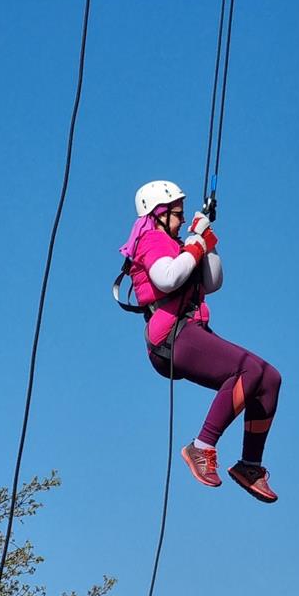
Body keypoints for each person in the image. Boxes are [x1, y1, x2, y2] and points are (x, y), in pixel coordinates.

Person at [119, 180, 281, 503]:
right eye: (177, 214)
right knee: (249, 370)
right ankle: (202, 446)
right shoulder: (150, 240)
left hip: (191, 331)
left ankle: (250, 465)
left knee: (269, 379)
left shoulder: (179, 244)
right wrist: (195, 244)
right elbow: (167, 277)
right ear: (159, 214)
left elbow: (213, 281)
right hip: (170, 335)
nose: (181, 220)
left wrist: (207, 241)